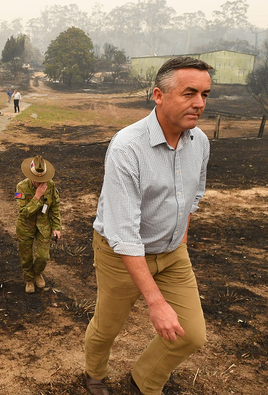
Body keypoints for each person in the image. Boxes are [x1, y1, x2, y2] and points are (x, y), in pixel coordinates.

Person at [83, 57, 212, 395]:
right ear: (158, 94)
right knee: (108, 328)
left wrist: (179, 241)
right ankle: (94, 373)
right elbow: (124, 233)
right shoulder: (128, 148)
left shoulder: (200, 142)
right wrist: (155, 302)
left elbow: (192, 198)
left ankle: (144, 380)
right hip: (118, 255)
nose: (199, 104)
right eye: (189, 93)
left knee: (192, 334)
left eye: (204, 94)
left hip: (172, 254)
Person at [15, 155, 61, 294]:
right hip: (25, 227)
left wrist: (57, 227)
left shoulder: (51, 185)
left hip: (44, 226)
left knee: (43, 256)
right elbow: (23, 212)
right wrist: (37, 196)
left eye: (42, 179)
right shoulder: (21, 187)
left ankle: (37, 273)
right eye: (36, 180)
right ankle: (29, 279)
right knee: (26, 256)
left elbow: (55, 207)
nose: (39, 183)